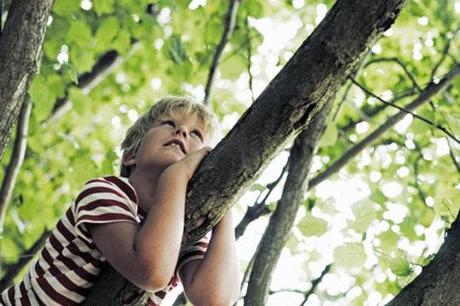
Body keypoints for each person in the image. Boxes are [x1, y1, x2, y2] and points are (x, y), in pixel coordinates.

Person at [0, 96, 240, 306]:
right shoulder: (105, 192)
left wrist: (224, 207)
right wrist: (174, 178)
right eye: (169, 123)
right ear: (130, 156)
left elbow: (214, 299)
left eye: (196, 134)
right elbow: (151, 271)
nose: (182, 132)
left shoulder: (184, 230)